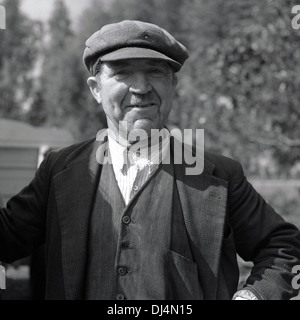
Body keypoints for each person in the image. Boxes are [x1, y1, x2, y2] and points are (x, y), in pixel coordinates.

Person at [0, 20, 300, 300]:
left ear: (173, 87)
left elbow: (285, 249)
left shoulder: (220, 175)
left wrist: (252, 297)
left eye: (156, 72)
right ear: (95, 89)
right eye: (122, 72)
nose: (141, 88)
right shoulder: (59, 170)